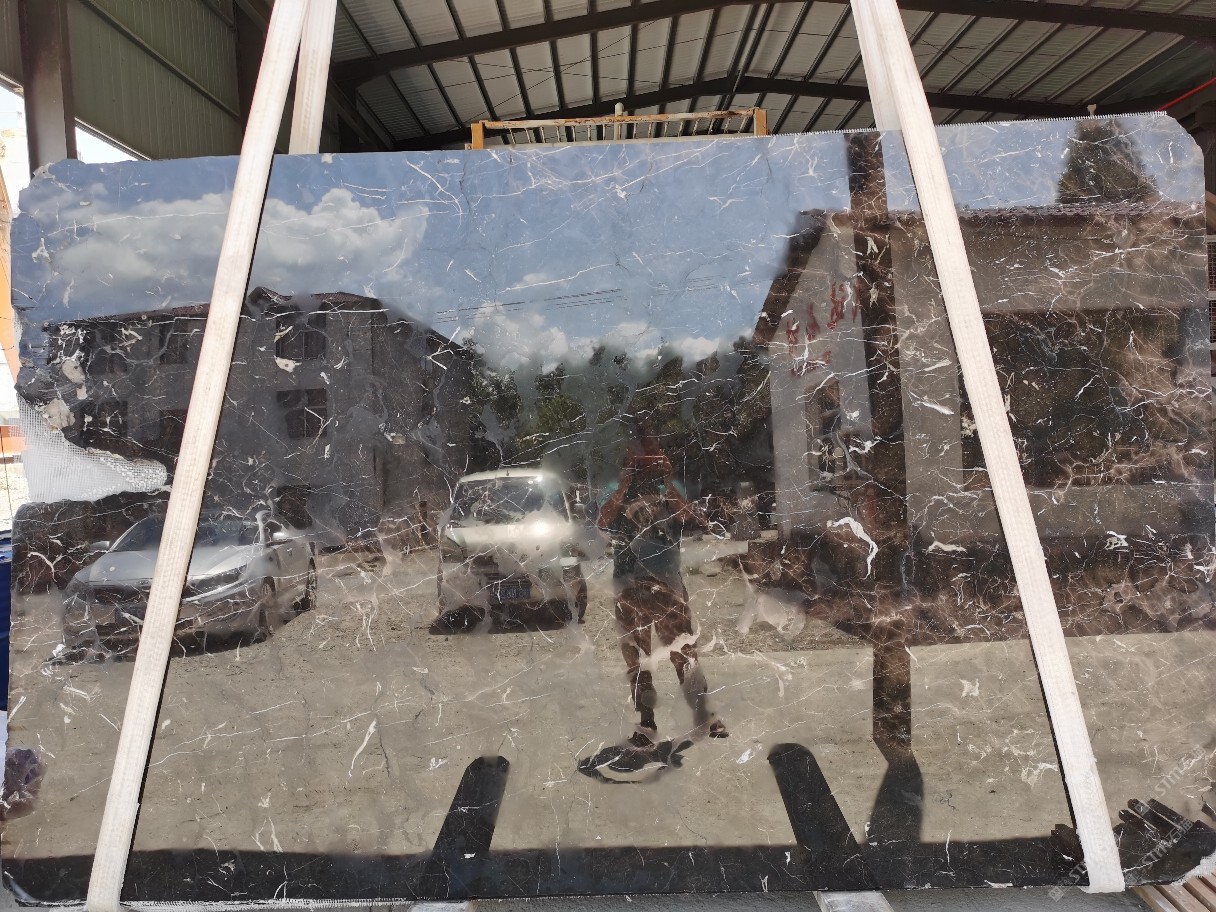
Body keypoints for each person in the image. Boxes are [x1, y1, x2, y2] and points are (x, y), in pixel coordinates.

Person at [597, 416, 728, 746]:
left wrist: (668, 480)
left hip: (668, 584)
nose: (645, 458)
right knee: (636, 657)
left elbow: (689, 517)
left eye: (651, 449)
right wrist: (624, 485)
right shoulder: (615, 487)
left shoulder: (668, 488)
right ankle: (646, 723)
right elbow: (603, 520)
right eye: (638, 451)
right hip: (629, 586)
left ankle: (704, 715)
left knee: (684, 652)